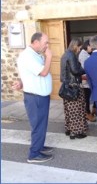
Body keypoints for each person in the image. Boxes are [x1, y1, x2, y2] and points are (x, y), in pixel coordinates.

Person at [13, 32, 54, 163]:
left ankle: (39, 146)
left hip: (40, 95)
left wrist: (21, 81)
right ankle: (34, 154)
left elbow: (29, 74)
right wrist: (49, 57)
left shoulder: (35, 55)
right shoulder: (27, 56)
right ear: (35, 42)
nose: (47, 46)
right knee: (38, 125)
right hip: (35, 97)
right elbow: (43, 72)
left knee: (42, 124)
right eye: (45, 43)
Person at [60, 38, 88, 140]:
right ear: (76, 46)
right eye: (80, 47)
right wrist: (84, 70)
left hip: (66, 86)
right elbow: (75, 70)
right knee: (76, 109)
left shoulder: (65, 54)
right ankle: (76, 132)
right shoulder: (71, 55)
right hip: (74, 86)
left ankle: (69, 129)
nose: (80, 49)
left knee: (68, 110)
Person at [78, 39, 97, 123]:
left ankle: (94, 110)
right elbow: (85, 67)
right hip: (85, 80)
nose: (91, 48)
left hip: (89, 78)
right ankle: (87, 113)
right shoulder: (83, 54)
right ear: (87, 46)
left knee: (92, 95)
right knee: (87, 98)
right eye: (91, 46)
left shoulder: (86, 53)